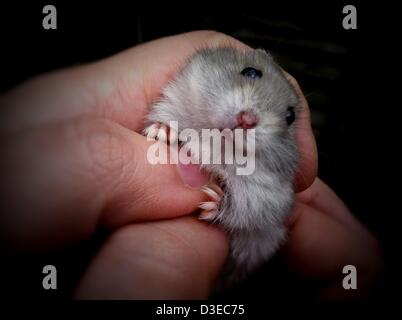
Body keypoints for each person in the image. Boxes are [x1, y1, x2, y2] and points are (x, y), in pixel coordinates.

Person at [0, 31, 382, 299]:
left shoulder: (274, 170)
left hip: (232, 265)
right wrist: (162, 128)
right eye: (251, 74)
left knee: (264, 229)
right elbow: (157, 120)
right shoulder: (189, 85)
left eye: (284, 118)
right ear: (241, 65)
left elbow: (264, 213)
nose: (250, 117)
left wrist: (226, 207)